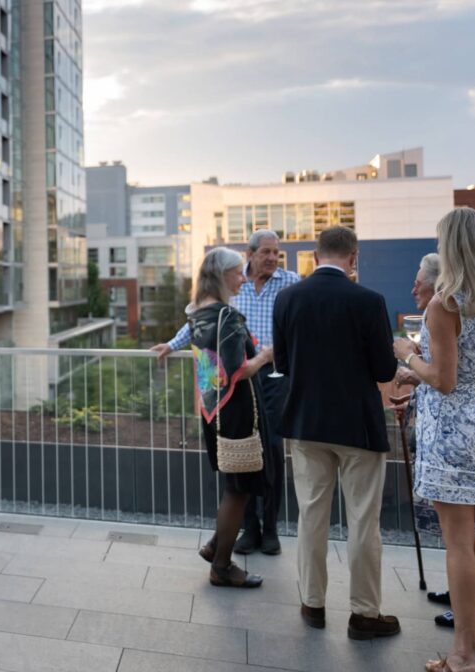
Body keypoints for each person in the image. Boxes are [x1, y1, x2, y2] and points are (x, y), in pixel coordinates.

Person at [393, 208, 475, 672]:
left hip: (453, 429)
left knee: (458, 543)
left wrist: (411, 357)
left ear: (450, 247)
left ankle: (467, 653)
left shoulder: (445, 303)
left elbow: (443, 380)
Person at [272, 225, 400, 640]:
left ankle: (312, 603)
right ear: (354, 258)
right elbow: (384, 370)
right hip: (358, 426)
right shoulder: (369, 301)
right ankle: (364, 613)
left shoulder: (287, 298)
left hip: (306, 422)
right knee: (363, 520)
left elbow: (285, 364)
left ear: (314, 256)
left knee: (312, 515)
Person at [150, 230, 299, 555]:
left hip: (273, 381)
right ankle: (246, 531)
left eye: (277, 253)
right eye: (266, 252)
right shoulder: (227, 300)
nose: (273, 258)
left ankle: (269, 528)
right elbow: (198, 327)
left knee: (271, 453)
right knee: (241, 461)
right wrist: (172, 344)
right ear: (250, 254)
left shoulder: (290, 282)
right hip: (242, 386)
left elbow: (199, 322)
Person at [188, 248, 274, 589]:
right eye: (239, 272)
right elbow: (234, 372)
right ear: (222, 275)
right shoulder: (228, 316)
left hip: (212, 410)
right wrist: (265, 356)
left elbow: (210, 374)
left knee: (235, 486)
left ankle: (215, 545)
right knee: (239, 489)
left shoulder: (198, 313)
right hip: (237, 412)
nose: (244, 277)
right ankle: (222, 566)